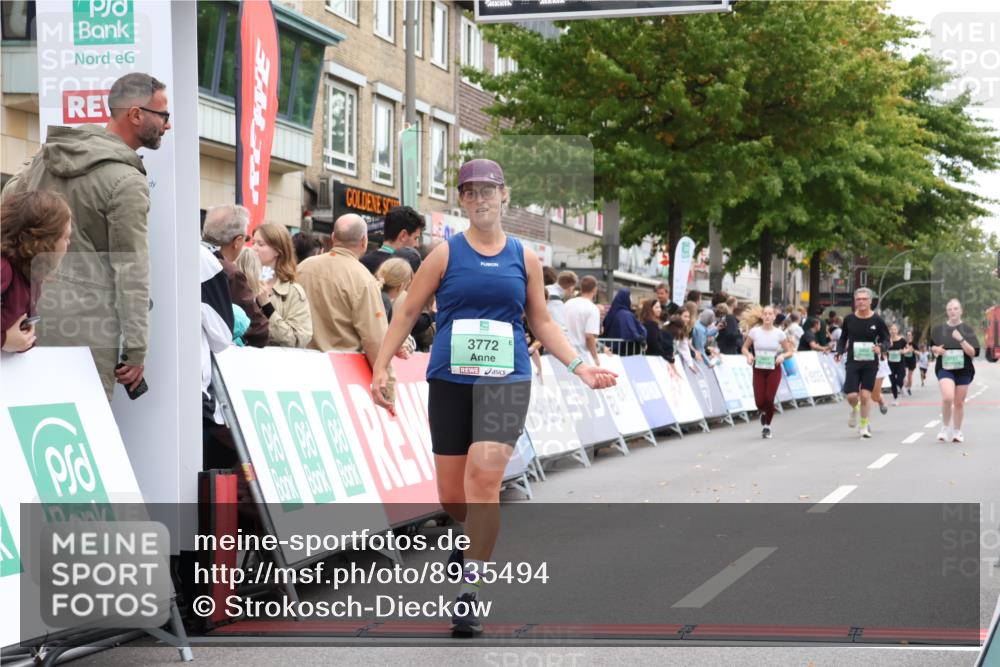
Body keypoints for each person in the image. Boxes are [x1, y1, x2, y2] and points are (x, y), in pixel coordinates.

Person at [368, 159, 617, 636]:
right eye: (470, 192)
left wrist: (580, 367)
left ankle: (469, 593)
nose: (480, 199)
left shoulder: (524, 257)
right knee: (452, 495)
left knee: (484, 481)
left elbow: (541, 321)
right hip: (450, 381)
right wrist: (381, 366)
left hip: (507, 381)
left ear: (504, 195)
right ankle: (468, 538)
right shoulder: (445, 254)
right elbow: (408, 311)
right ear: (462, 200)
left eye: (488, 190)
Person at [1, 72, 170, 400]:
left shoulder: (50, 155)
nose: (168, 124)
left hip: (25, 316)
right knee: (84, 437)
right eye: (163, 115)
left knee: (25, 427)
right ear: (135, 115)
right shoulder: (126, 181)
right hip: (87, 332)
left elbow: (9, 199)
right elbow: (131, 270)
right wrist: (135, 350)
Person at [1, 191, 73, 353]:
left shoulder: (29, 274)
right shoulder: (4, 270)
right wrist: (4, 340)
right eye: (66, 237)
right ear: (43, 242)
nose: (69, 243)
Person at [201, 204, 270, 348]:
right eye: (247, 238)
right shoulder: (229, 272)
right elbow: (259, 330)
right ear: (237, 241)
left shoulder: (186, 256)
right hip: (216, 360)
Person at [834, 288, 891, 439]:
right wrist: (839, 351)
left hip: (870, 363)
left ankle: (864, 426)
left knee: (866, 396)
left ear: (870, 301)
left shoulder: (877, 320)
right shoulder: (849, 319)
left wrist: (881, 347)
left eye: (864, 299)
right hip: (853, 361)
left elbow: (886, 339)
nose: (861, 302)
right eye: (858, 299)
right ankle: (855, 408)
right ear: (855, 301)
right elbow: (843, 338)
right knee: (852, 396)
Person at [252, 223, 313, 348]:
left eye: (260, 244)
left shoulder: (293, 292)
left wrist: (266, 306)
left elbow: (297, 340)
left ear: (277, 251)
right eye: (253, 243)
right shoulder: (242, 281)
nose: (254, 248)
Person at [930, 298, 980, 443]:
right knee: (947, 397)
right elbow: (932, 347)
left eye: (956, 308)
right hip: (945, 368)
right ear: (947, 312)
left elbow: (973, 352)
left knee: (959, 402)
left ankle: (957, 431)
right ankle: (945, 428)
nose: (953, 311)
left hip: (964, 370)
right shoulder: (938, 329)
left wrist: (961, 339)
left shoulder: (968, 330)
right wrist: (936, 349)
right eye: (950, 309)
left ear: (961, 311)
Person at [742, 304, 794, 439]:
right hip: (759, 368)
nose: (767, 316)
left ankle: (767, 427)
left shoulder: (779, 333)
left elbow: (789, 351)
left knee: (769, 398)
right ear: (761, 316)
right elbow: (744, 348)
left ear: (774, 317)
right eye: (765, 313)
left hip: (773, 368)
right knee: (759, 401)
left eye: (770, 314)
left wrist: (782, 356)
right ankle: (763, 412)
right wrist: (748, 355)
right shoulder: (754, 332)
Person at [361, 206, 425, 275]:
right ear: (403, 235)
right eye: (415, 238)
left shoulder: (362, 263)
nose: (417, 245)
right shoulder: (406, 268)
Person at [564, 275, 603, 364]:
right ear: (595, 289)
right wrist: (595, 358)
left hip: (564, 351)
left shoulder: (568, 303)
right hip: (580, 354)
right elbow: (589, 336)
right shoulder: (593, 309)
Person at [603, 288, 646, 355]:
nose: (632, 299)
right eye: (630, 296)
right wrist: (641, 340)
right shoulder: (625, 314)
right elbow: (631, 332)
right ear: (625, 298)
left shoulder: (613, 312)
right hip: (624, 352)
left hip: (611, 350)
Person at [545, 270, 577, 335]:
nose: (572, 293)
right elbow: (561, 329)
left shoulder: (546, 289)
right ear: (570, 287)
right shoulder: (556, 301)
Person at [886, 323, 908, 406]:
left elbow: (908, 348)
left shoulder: (902, 340)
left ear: (897, 330)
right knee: (892, 381)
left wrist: (904, 351)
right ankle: (895, 398)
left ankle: (902, 387)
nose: (893, 331)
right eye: (892, 329)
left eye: (895, 329)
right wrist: (886, 351)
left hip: (900, 363)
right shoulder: (887, 340)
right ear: (889, 331)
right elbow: (883, 348)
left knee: (899, 380)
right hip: (890, 364)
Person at [902, 330, 917, 396]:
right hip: (904, 360)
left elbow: (919, 353)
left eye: (910, 335)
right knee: (903, 374)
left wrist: (913, 350)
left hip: (912, 361)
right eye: (907, 335)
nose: (908, 336)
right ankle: (904, 385)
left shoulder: (914, 344)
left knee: (909, 376)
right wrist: (905, 350)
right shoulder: (903, 343)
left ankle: (908, 388)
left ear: (912, 336)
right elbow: (901, 350)